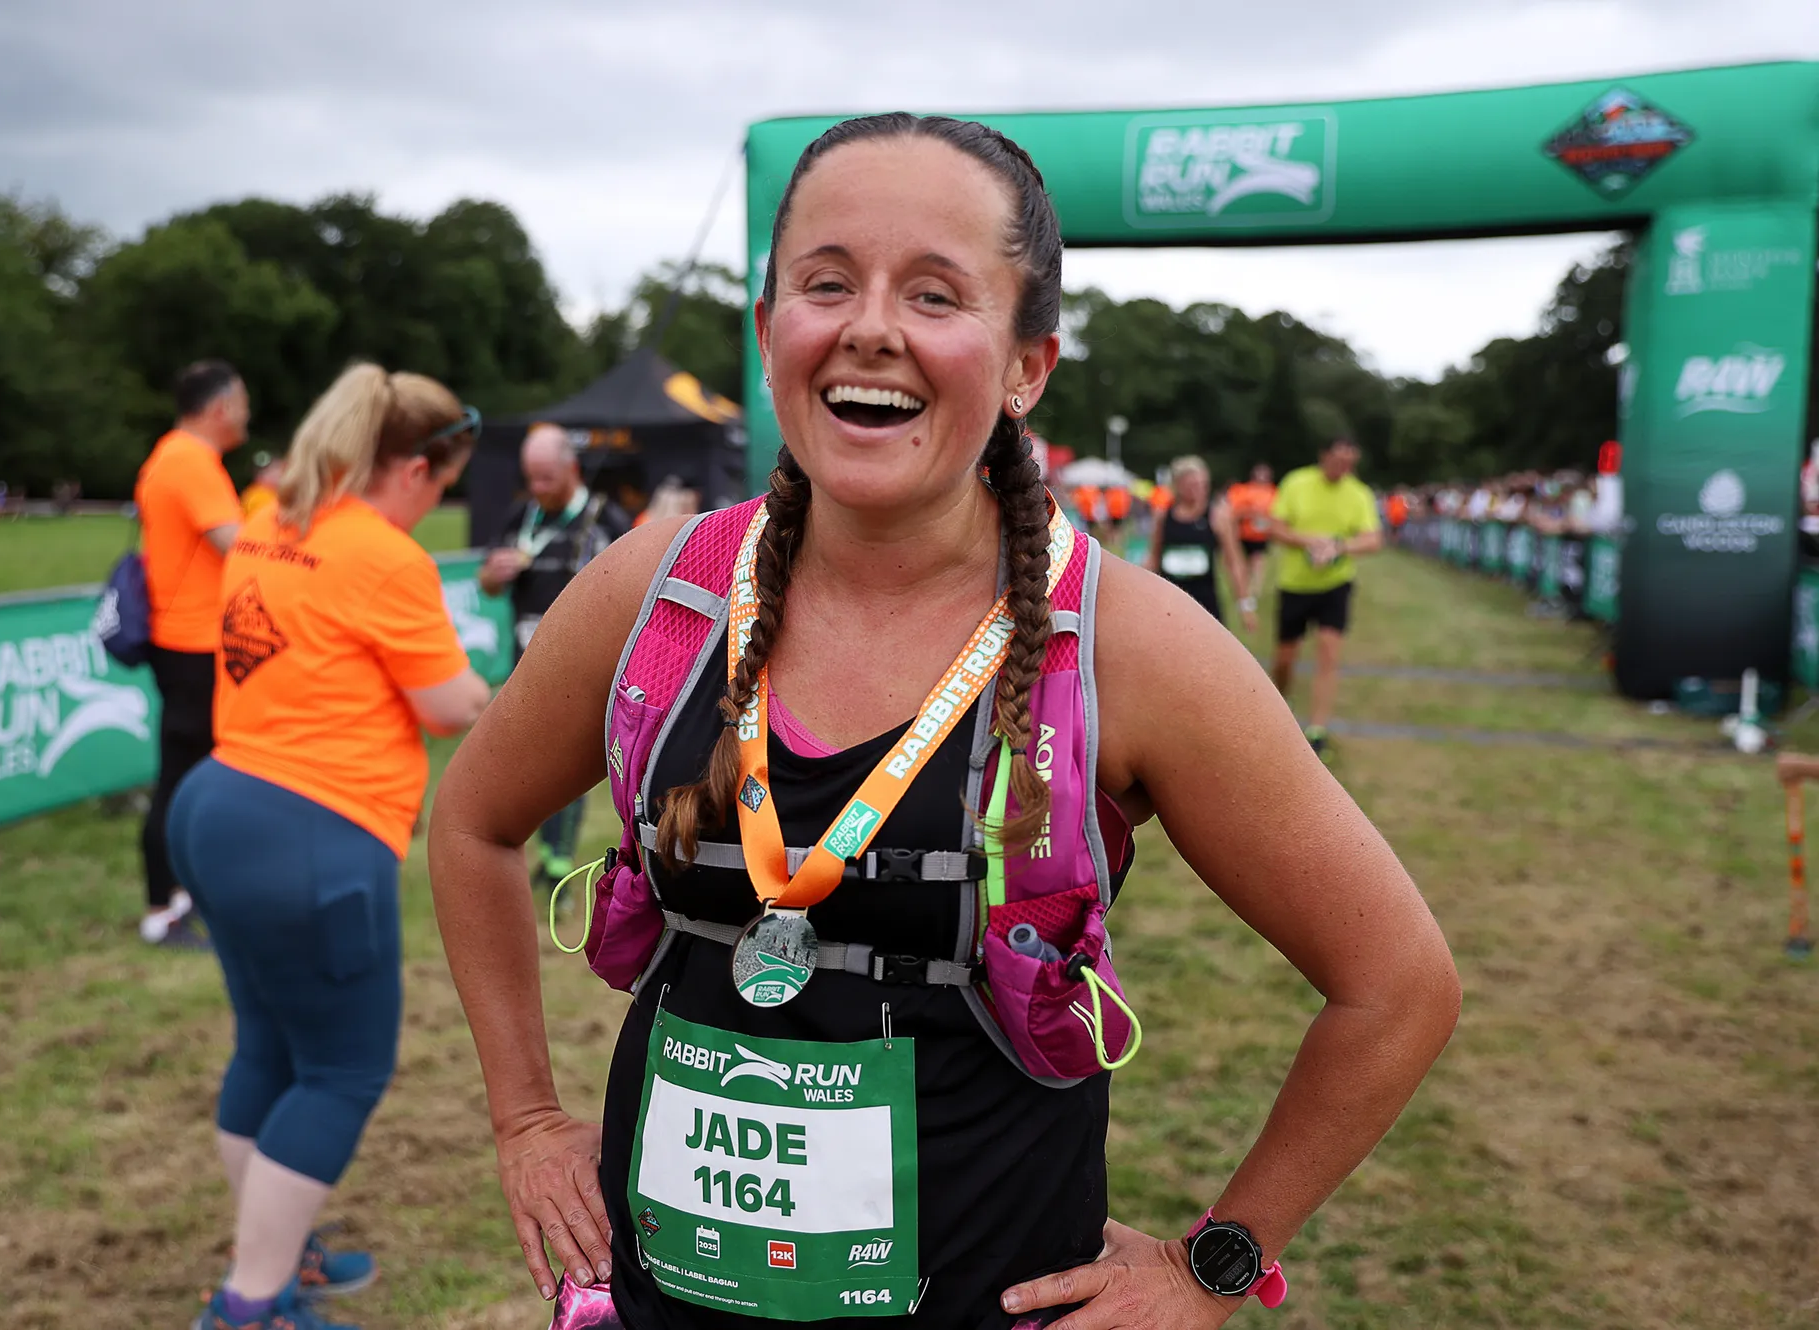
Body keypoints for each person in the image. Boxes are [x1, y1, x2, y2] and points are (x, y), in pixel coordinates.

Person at [428, 114, 1458, 1330]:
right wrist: (526, 1119)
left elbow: (1396, 983)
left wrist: (1214, 1264)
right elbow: (475, 825)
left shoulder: (1130, 645)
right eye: (827, 282)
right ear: (770, 337)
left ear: (1028, 365)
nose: (870, 326)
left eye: (935, 293)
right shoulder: (663, 591)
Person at [167, 364, 489, 1330]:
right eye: (444, 482)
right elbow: (449, 707)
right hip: (312, 832)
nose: (438, 505)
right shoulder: (384, 556)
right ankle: (250, 1306)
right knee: (342, 1070)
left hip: (216, 804)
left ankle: (277, 1257)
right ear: (416, 467)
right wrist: (505, 687)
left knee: (268, 1046)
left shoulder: (272, 516)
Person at [478, 423, 630, 885]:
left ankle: (561, 865)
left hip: (584, 665)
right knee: (527, 761)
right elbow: (486, 583)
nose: (538, 489)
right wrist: (493, 573)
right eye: (532, 479)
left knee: (567, 761)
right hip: (526, 660)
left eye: (547, 478)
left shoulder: (607, 520)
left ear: (573, 469)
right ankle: (546, 855)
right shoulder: (522, 517)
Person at [133, 359, 250, 947]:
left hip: (188, 642)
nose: (248, 415)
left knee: (192, 776)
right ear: (221, 406)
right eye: (243, 402)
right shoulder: (189, 461)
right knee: (183, 780)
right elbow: (239, 545)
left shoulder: (173, 456)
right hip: (192, 645)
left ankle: (179, 897)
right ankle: (161, 910)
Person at [1267, 439, 1384, 756]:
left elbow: (1373, 539)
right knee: (1285, 659)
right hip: (1294, 584)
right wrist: (1309, 542)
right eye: (1338, 461)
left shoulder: (1358, 492)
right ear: (1323, 456)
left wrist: (1338, 547)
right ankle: (1281, 709)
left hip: (1335, 584)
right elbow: (1275, 528)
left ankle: (1317, 729)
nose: (1343, 468)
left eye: (1349, 462)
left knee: (1328, 654)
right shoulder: (1297, 482)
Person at [1145, 456, 1254, 632]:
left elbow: (1234, 562)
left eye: (1202, 484)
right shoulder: (1163, 516)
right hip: (1169, 599)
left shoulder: (1217, 515)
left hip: (1205, 600)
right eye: (1192, 485)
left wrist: (1245, 605)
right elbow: (1153, 556)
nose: (1198, 490)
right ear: (1178, 485)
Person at [1225, 463, 1277, 598]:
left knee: (1258, 561)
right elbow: (1234, 511)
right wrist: (1249, 511)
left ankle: (1255, 588)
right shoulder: (1243, 490)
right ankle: (1244, 587)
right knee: (1242, 562)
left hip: (1260, 534)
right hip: (1244, 533)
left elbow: (1276, 512)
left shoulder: (1272, 492)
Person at [240, 454, 285, 520]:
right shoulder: (258, 496)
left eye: (277, 469)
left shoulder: (273, 493)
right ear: (258, 477)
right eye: (269, 471)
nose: (276, 474)